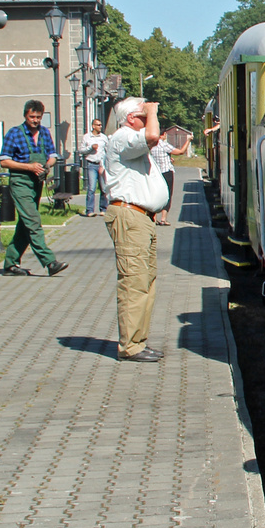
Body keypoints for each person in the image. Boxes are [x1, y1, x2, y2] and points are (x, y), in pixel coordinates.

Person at [103, 96, 170, 362]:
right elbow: (153, 137)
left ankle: (138, 342)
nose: (150, 118)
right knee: (134, 283)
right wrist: (152, 110)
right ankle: (130, 346)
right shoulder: (121, 137)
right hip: (130, 218)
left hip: (141, 219)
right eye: (143, 114)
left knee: (144, 283)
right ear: (131, 118)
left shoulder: (129, 140)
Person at [0, 100, 69, 277]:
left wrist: (47, 165)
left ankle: (10, 264)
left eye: (38, 117)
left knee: (25, 224)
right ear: (25, 115)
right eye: (32, 117)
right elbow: (4, 161)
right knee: (33, 221)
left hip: (37, 182)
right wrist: (29, 167)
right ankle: (49, 262)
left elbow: (53, 156)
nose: (35, 120)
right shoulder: (14, 133)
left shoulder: (45, 133)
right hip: (20, 181)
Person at [80, 118, 108, 216]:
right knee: (91, 188)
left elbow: (107, 150)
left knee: (104, 188)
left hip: (101, 165)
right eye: (98, 125)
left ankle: (103, 209)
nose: (100, 126)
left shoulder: (104, 137)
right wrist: (90, 148)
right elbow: (81, 150)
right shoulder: (87, 137)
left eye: (100, 125)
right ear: (93, 126)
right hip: (91, 164)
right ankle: (90, 210)